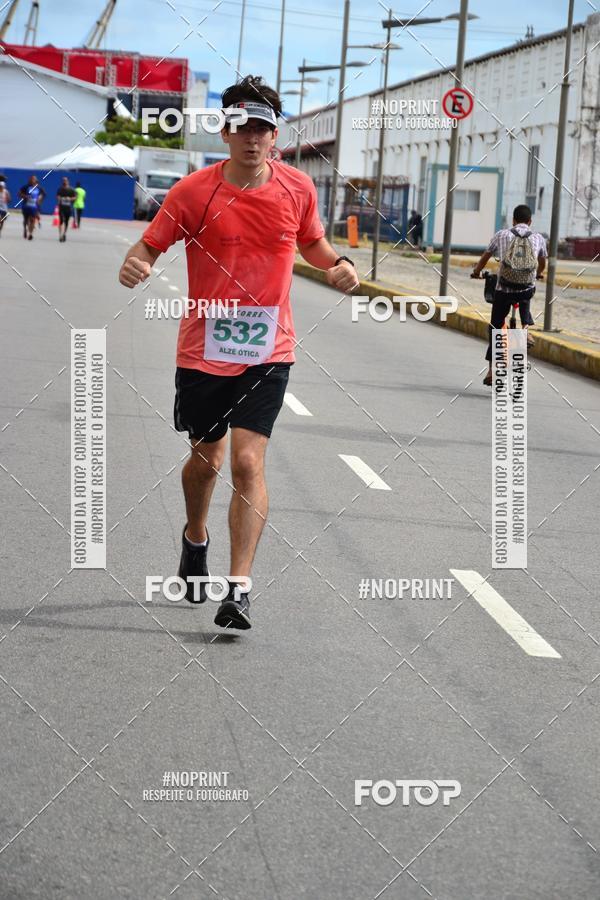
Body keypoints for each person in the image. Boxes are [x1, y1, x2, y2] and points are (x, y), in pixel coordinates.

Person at [118, 74, 359, 630]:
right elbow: (149, 245)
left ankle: (239, 589)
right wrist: (136, 264)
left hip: (269, 349)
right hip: (203, 350)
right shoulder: (193, 192)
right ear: (225, 131)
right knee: (207, 461)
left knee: (248, 461)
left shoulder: (298, 188)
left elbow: (313, 244)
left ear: (276, 136)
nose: (252, 137)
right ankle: (194, 537)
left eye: (263, 129)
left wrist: (339, 265)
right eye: (242, 127)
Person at [472, 204, 547, 386]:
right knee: (526, 294)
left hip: (504, 289)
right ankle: (525, 329)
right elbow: (542, 262)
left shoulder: (502, 234)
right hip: (526, 288)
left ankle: (492, 370)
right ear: (530, 221)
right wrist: (538, 274)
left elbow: (485, 256)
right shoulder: (538, 238)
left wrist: (476, 271)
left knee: (495, 326)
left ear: (513, 220)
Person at [19, 175, 45, 240]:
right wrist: (25, 196)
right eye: (31, 179)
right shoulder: (26, 187)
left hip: (34, 207)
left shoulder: (39, 188)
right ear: (29, 180)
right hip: (26, 206)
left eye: (34, 179)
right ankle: (25, 229)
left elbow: (43, 194)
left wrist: (40, 199)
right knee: (26, 220)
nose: (32, 180)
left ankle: (30, 234)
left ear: (36, 180)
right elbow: (19, 194)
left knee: (33, 220)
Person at [56, 177, 77, 242]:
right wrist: (60, 198)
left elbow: (75, 197)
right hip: (61, 207)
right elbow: (57, 196)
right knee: (61, 221)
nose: (64, 182)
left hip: (68, 208)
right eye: (63, 181)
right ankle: (60, 235)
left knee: (66, 222)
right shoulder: (60, 189)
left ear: (68, 181)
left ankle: (64, 233)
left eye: (65, 180)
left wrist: (70, 199)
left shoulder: (71, 189)